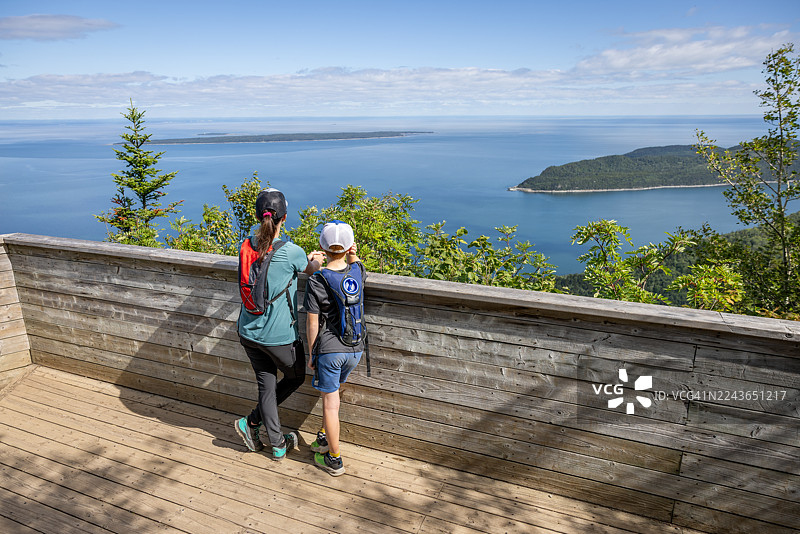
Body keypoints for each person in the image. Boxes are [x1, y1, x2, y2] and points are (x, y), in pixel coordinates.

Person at [234, 188, 324, 461]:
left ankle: (274, 442)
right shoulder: (291, 251)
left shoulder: (245, 245)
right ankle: (253, 424)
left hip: (248, 331)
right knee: (295, 376)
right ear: (284, 218)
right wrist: (316, 260)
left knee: (267, 385)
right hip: (279, 338)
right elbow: (312, 269)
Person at [304, 221, 367, 476]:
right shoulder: (358, 271)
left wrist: (312, 353)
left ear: (322, 246)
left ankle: (335, 458)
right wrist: (352, 254)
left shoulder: (317, 280)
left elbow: (312, 321)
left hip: (330, 350)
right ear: (350, 246)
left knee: (330, 404)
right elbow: (356, 261)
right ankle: (323, 439)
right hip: (356, 348)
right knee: (333, 396)